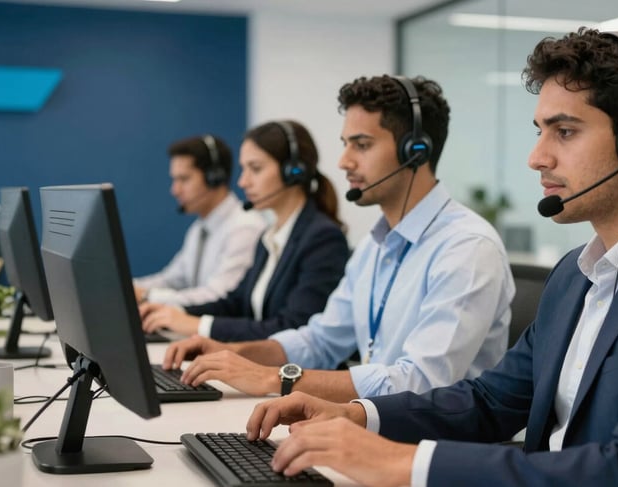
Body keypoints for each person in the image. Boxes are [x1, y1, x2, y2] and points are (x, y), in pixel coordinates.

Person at [245, 29, 618, 487]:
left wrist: (401, 465)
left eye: (565, 131)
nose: (537, 157)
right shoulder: (575, 274)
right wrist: (359, 416)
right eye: (540, 131)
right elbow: (490, 401)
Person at [163, 75, 514, 402]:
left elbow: (419, 382)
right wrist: (234, 353)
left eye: (361, 145)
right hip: (373, 424)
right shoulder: (373, 247)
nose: (344, 161)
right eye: (346, 144)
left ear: (415, 151)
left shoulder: (466, 248)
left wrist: (274, 378)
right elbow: (320, 340)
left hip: (432, 441)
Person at [139, 120, 349, 341]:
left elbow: (293, 328)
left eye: (255, 169)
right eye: (243, 169)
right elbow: (235, 302)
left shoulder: (322, 239)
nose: (242, 182)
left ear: (293, 171)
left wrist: (198, 325)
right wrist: (177, 313)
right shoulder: (269, 238)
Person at [134, 135, 265, 306]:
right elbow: (172, 279)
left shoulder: (244, 227)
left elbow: (219, 296)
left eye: (184, 179)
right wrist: (129, 287)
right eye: (175, 179)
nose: (175, 190)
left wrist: (147, 296)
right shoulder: (199, 229)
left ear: (214, 177)